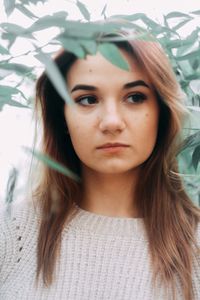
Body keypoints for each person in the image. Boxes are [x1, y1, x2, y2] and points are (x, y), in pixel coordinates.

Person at [0, 24, 199, 300]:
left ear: (161, 113)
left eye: (135, 97)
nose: (112, 122)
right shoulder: (10, 232)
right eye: (88, 99)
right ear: (62, 119)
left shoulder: (195, 247)